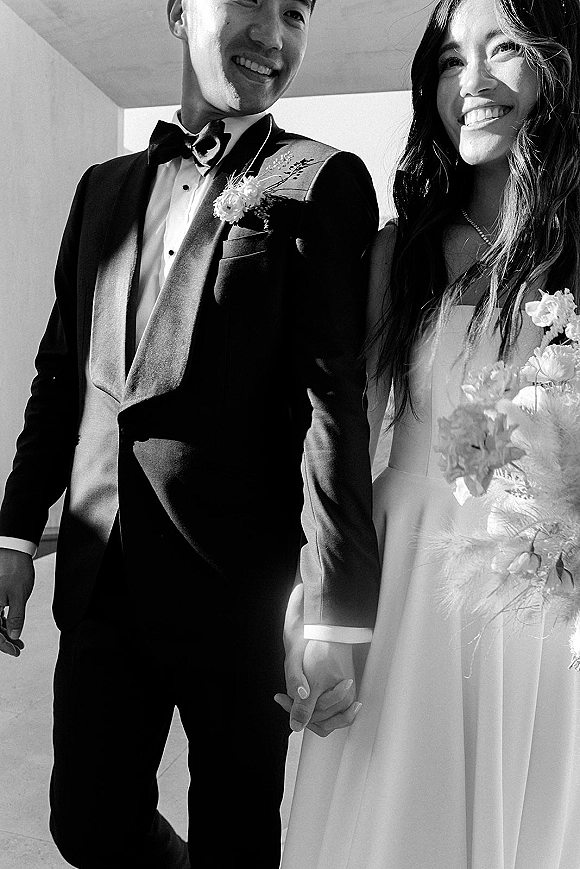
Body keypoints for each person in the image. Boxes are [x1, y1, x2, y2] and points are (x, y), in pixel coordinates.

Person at [0, 1, 381, 866]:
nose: (272, 36)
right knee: (85, 826)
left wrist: (337, 614)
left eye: (295, 12)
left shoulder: (321, 180)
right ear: (178, 11)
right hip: (103, 582)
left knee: (237, 845)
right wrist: (15, 531)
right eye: (247, 0)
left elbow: (333, 404)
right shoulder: (100, 189)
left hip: (238, 598)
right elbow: (62, 374)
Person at [280, 0, 580, 866]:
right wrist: (322, 610)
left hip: (539, 602)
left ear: (558, 65)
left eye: (503, 48)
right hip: (404, 571)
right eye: (450, 61)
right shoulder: (399, 253)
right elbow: (342, 436)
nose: (472, 82)